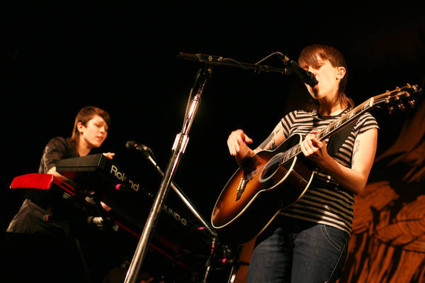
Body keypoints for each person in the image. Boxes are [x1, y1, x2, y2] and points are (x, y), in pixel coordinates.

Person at [226, 44, 379, 283]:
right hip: (276, 223)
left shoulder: (363, 121)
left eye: (317, 67)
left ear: (340, 73)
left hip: (324, 228)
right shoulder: (294, 119)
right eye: (305, 71)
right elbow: (254, 162)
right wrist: (239, 146)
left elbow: (359, 182)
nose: (310, 75)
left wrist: (325, 161)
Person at [4, 106, 116, 282]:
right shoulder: (59, 144)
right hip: (32, 225)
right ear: (81, 127)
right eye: (98, 125)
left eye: (106, 129)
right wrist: (92, 163)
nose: (103, 131)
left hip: (60, 232)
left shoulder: (91, 169)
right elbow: (53, 172)